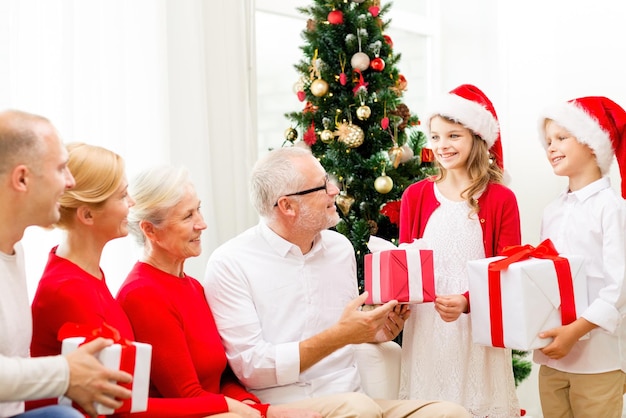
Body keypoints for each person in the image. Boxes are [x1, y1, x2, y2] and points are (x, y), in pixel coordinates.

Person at [203, 146, 470, 418]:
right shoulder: (231, 262)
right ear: (287, 206)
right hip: (289, 406)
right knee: (359, 409)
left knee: (450, 413)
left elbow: (345, 329)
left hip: (357, 400)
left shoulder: (339, 248)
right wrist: (340, 335)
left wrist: (377, 331)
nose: (334, 190)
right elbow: (252, 369)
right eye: (322, 186)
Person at [29, 143, 244, 418]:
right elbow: (119, 407)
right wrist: (226, 405)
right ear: (87, 215)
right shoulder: (70, 289)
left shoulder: (86, 275)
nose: (132, 204)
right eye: (122, 196)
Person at [116, 164, 319, 418]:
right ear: (150, 230)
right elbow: (186, 396)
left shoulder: (192, 286)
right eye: (187, 216)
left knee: (355, 407)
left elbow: (224, 376)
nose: (202, 224)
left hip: (227, 410)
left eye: (198, 210)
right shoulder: (143, 294)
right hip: (197, 414)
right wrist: (265, 413)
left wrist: (255, 407)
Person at [398, 85, 521, 417]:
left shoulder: (500, 199)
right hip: (426, 327)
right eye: (435, 137)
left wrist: (468, 300)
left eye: (453, 135)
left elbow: (508, 267)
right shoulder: (415, 196)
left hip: (476, 327)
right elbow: (407, 263)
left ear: (477, 138)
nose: (442, 145)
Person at [0, 110, 132, 418]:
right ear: (22, 178)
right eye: (61, 169)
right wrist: (65, 373)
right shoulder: (66, 284)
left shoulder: (14, 250)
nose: (70, 183)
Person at [534, 96, 626, 418]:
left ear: (592, 144)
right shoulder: (551, 211)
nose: (551, 147)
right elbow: (544, 278)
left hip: (599, 361)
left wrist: (574, 331)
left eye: (561, 138)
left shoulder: (612, 208)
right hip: (553, 357)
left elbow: (618, 288)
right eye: (548, 141)